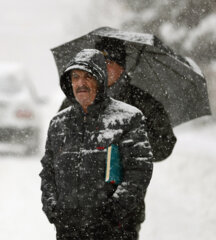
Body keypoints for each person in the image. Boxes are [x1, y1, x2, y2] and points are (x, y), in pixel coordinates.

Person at [40, 49, 153, 239]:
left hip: (115, 231)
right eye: (75, 77)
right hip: (69, 231)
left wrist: (112, 213)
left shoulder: (128, 119)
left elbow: (139, 172)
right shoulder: (59, 123)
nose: (80, 83)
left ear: (100, 80)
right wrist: (53, 209)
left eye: (88, 76)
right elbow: (48, 172)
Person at [59, 38, 177, 162]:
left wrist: (130, 145)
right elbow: (56, 140)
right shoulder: (75, 99)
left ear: (121, 67)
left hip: (127, 179)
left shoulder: (141, 101)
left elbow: (165, 143)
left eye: (108, 62)